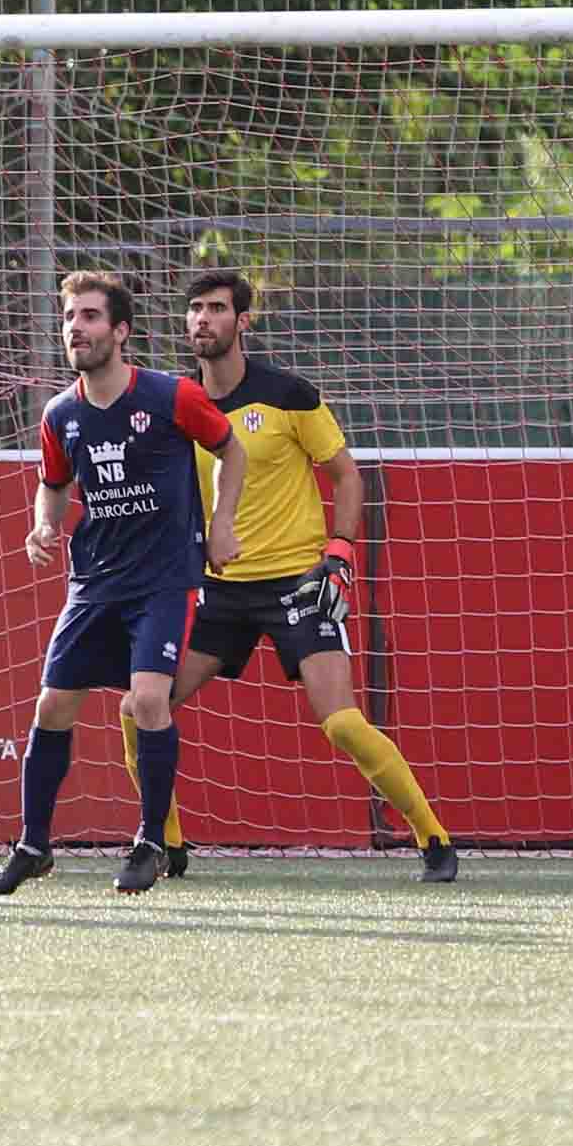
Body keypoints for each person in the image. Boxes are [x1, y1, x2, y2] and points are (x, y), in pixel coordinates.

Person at [120, 270, 457, 882]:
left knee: (343, 722)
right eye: (194, 309)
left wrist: (340, 552)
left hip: (299, 585)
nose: (202, 320)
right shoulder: (176, 404)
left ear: (243, 322)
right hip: (218, 590)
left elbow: (347, 476)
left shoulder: (288, 394)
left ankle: (433, 839)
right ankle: (164, 843)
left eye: (217, 309)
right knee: (139, 706)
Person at [0, 271, 245, 897]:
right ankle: (32, 846)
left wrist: (222, 524)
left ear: (120, 331)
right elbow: (53, 482)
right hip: (94, 582)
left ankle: (152, 841)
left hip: (162, 579)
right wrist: (43, 524)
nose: (77, 327)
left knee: (148, 701)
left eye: (91, 317)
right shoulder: (61, 413)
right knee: (52, 706)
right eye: (71, 317)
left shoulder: (171, 396)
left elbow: (232, 449)